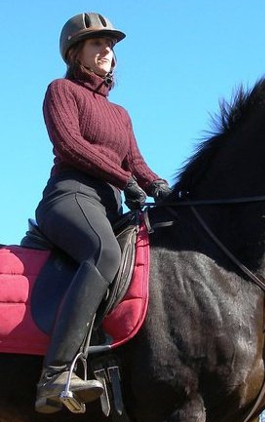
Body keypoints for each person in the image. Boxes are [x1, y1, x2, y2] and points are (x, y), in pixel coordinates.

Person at [34, 12, 170, 414]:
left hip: (109, 205)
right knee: (104, 253)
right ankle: (54, 375)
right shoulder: (60, 90)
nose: (107, 50)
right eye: (97, 43)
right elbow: (71, 146)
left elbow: (137, 162)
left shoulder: (121, 114)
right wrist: (126, 179)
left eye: (110, 45)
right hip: (71, 196)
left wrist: (162, 188)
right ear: (75, 53)